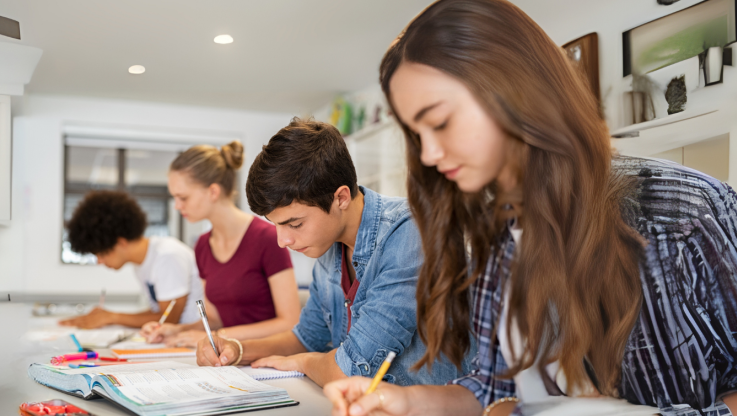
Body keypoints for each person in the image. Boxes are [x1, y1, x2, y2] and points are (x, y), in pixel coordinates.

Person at [324, 0, 737, 416]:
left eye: (441, 121)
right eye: (416, 134)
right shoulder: (496, 233)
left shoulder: (680, 214)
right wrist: (406, 404)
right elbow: (493, 391)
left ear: (514, 92)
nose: (428, 154)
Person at [195, 118, 469, 389]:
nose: (282, 240)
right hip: (370, 413)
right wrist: (237, 349)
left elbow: (351, 371)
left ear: (341, 198)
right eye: (276, 224)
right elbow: (307, 337)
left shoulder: (409, 232)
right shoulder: (329, 245)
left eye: (294, 223)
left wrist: (305, 362)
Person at [140, 141, 301, 347]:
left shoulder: (268, 238)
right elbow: (215, 320)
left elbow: (289, 322)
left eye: (183, 197)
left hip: (269, 357)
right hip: (229, 358)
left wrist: (219, 336)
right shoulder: (203, 246)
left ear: (213, 192)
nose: (178, 206)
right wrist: (177, 330)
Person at [60, 190, 203, 329]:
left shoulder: (167, 255)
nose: (99, 262)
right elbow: (159, 312)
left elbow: (169, 319)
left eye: (101, 254)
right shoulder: (142, 263)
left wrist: (112, 317)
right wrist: (108, 316)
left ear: (120, 242)